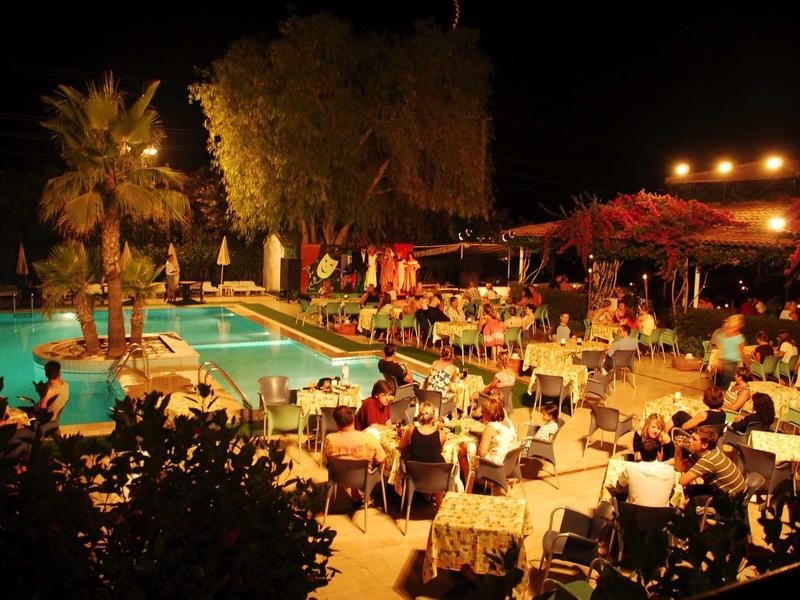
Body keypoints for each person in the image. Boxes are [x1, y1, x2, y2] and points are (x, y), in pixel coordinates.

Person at [322, 405, 387, 505]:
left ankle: (356, 493)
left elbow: (324, 461)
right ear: (353, 419)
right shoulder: (368, 438)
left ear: (336, 422)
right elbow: (383, 459)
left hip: (338, 476)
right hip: (364, 479)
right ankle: (367, 495)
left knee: (349, 461)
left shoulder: (329, 439)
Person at [459, 394, 518, 493]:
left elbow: (482, 453)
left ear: (488, 413)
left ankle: (468, 488)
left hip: (494, 465)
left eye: (483, 413)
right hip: (508, 462)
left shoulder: (491, 427)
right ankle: (470, 484)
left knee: (466, 449)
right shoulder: (508, 422)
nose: (482, 415)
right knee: (469, 447)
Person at [675, 427, 747, 497]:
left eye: (694, 439)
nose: (690, 440)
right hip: (731, 492)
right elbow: (680, 468)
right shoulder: (707, 452)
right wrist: (678, 448)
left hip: (731, 499)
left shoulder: (708, 460)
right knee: (689, 490)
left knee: (684, 492)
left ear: (704, 445)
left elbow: (682, 481)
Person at [617, 438, 676, 507]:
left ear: (640, 455)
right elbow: (673, 488)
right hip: (660, 516)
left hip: (634, 515)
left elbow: (621, 484)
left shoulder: (630, 468)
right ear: (658, 454)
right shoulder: (670, 471)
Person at [716, 314, 746, 390]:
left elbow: (720, 348)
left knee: (723, 383)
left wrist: (719, 361)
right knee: (728, 384)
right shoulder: (738, 336)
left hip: (724, 361)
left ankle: (719, 397)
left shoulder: (723, 334)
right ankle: (724, 398)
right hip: (732, 362)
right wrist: (746, 363)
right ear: (738, 324)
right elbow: (741, 352)